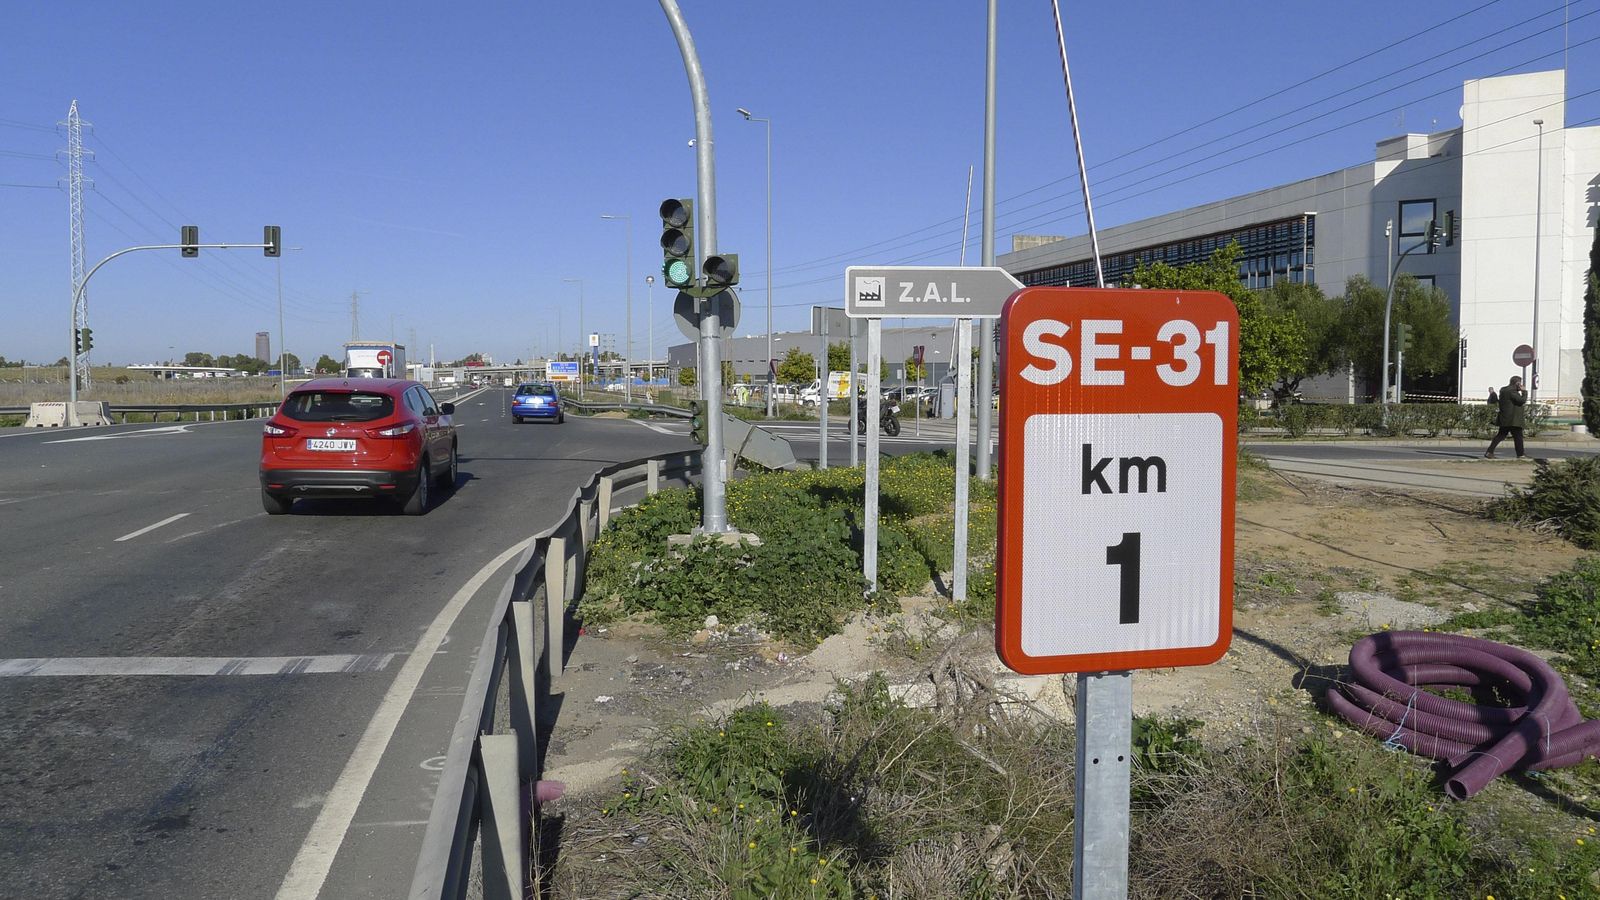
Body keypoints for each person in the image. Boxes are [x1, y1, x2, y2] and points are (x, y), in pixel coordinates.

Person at [1484, 375, 1528, 459]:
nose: (1521, 385)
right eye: (1520, 384)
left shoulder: (1504, 390)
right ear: (1517, 383)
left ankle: (1489, 452)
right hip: (1513, 419)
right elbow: (1522, 400)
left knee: (1501, 435)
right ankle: (1520, 454)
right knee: (1518, 436)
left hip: (1505, 418)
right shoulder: (1512, 391)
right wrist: (1524, 391)